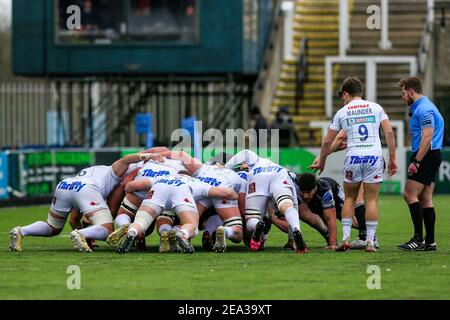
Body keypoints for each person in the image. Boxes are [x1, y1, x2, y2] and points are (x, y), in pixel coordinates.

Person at [309, 76, 397, 252]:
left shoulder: (343, 112)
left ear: (347, 93)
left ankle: (346, 239)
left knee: (349, 198)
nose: (343, 100)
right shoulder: (376, 107)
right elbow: (388, 131)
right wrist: (393, 158)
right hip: (373, 157)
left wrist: (323, 160)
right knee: (371, 200)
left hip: (354, 157)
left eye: (343, 96)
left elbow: (328, 141)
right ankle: (370, 242)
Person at [9, 152, 162, 253]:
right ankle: (80, 234)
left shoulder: (88, 170)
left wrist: (85, 240)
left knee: (52, 228)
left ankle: (22, 231)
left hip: (65, 184)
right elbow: (126, 159)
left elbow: (74, 219)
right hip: (87, 189)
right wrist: (150, 155)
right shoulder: (112, 171)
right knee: (107, 229)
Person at [116, 171, 239, 254]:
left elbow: (133, 185)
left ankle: (132, 232)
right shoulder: (195, 181)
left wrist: (127, 189)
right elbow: (226, 193)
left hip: (159, 189)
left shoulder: (161, 177)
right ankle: (182, 234)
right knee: (192, 225)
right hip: (182, 191)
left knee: (141, 222)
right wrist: (235, 195)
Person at [224, 149, 308, 253]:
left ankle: (257, 225)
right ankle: (297, 231)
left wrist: (225, 168)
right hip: (280, 175)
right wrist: (292, 239)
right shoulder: (284, 170)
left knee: (251, 218)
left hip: (258, 175)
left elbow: (245, 152)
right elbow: (294, 207)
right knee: (286, 205)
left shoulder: (256, 163)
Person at [397, 77, 444, 251]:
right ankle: (430, 242)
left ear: (411, 91)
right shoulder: (424, 106)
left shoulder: (424, 109)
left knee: (409, 193)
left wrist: (417, 161)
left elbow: (427, 136)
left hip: (425, 155)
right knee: (425, 198)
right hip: (430, 155)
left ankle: (418, 238)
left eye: (403, 93)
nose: (402, 97)